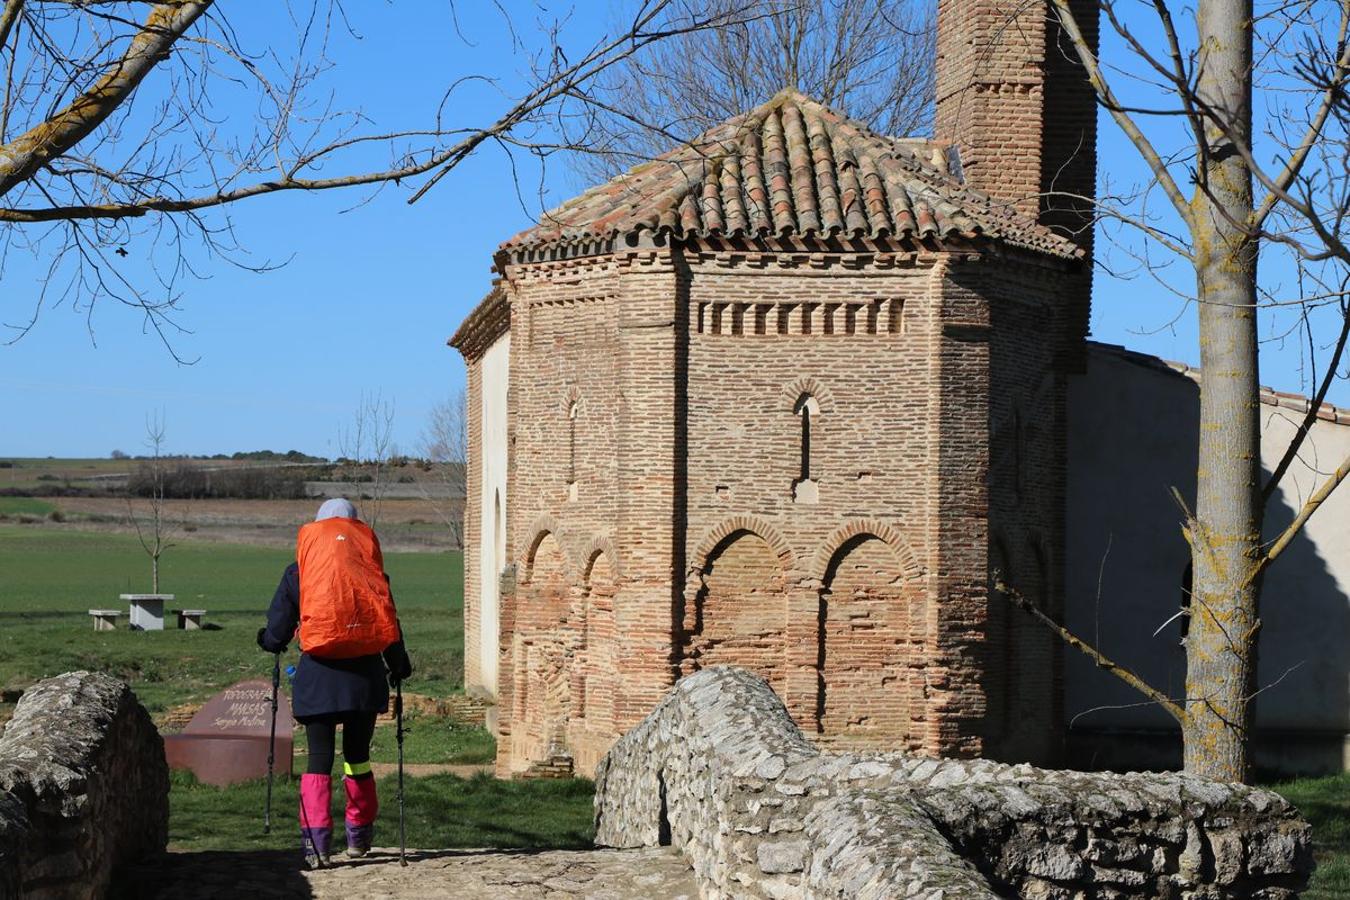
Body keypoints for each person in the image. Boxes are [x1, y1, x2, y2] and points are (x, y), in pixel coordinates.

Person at [257, 498, 413, 868]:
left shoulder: (299, 572)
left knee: (318, 761)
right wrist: (399, 666)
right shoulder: (373, 572)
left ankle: (317, 844)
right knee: (357, 759)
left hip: (319, 679)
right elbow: (388, 626)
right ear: (357, 531)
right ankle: (358, 837)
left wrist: (267, 639)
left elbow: (278, 633)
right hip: (365, 679)